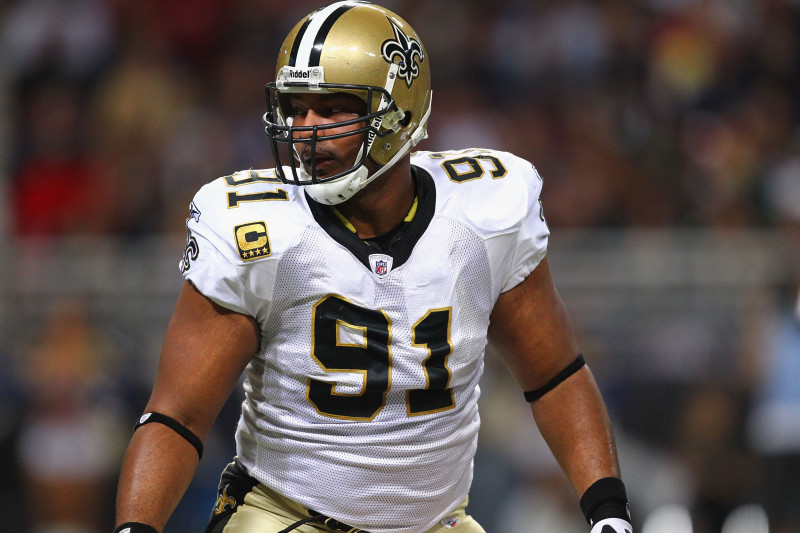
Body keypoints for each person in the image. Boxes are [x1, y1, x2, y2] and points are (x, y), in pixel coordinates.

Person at [112, 2, 633, 533]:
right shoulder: (254, 226)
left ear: (399, 114)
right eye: (294, 108)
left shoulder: (486, 210)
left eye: (332, 109)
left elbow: (555, 376)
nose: (304, 130)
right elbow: (178, 416)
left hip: (435, 524)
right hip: (287, 516)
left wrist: (609, 513)